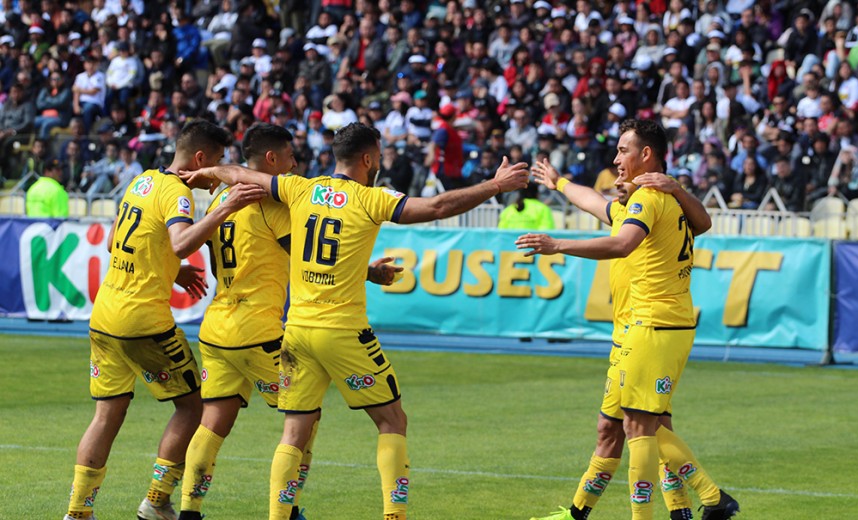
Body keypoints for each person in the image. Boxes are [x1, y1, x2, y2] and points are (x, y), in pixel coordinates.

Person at [180, 122, 529, 520]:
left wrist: (208, 171)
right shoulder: (370, 198)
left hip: (295, 331)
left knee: (294, 430)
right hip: (342, 331)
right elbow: (437, 207)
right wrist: (495, 185)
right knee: (392, 419)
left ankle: (276, 516)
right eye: (377, 158)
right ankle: (394, 516)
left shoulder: (299, 189)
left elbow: (240, 173)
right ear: (367, 159)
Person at [518, 119, 739, 520]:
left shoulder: (649, 199)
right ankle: (669, 510)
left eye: (623, 151)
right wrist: (559, 182)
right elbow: (595, 202)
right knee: (625, 425)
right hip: (642, 327)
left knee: (640, 427)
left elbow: (622, 245)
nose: (616, 162)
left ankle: (709, 499)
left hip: (652, 325)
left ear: (646, 155)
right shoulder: (646, 202)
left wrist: (557, 244)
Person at [178, 123, 401, 520]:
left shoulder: (220, 200)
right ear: (271, 159)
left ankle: (188, 511)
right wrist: (369, 273)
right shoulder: (272, 204)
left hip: (215, 326)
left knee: (213, 422)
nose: (295, 164)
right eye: (290, 157)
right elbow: (307, 252)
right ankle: (289, 508)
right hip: (257, 329)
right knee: (303, 420)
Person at [63, 120, 266, 520]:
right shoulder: (177, 192)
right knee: (192, 407)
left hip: (104, 316)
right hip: (143, 321)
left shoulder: (142, 180)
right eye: (217, 161)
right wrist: (226, 207)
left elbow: (115, 241)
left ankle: (78, 512)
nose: (215, 174)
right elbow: (181, 242)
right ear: (200, 159)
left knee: (106, 414)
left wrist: (172, 270)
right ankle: (156, 501)